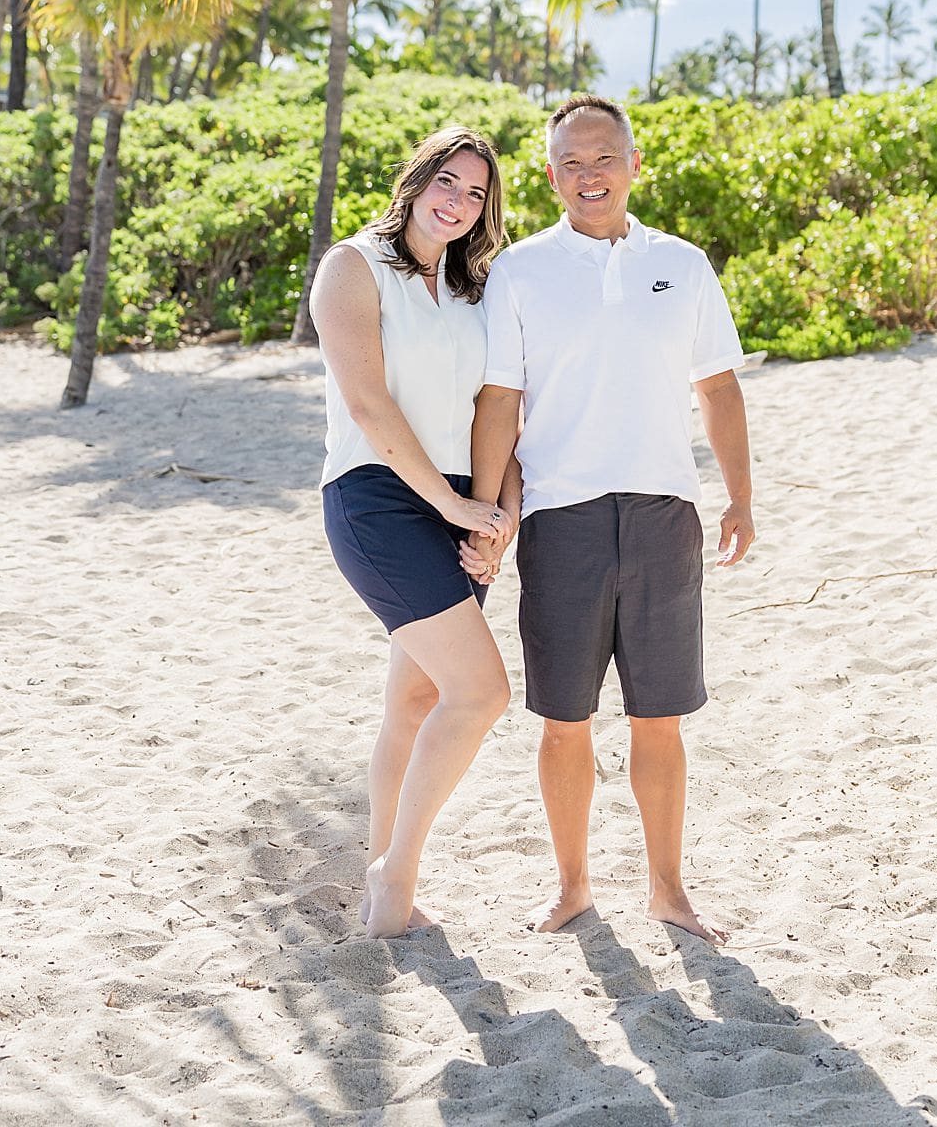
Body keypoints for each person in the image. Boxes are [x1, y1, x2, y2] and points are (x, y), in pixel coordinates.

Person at [466, 94, 755, 944]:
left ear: (634, 165)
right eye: (571, 164)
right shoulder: (519, 272)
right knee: (565, 719)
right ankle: (573, 887)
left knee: (659, 718)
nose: (589, 176)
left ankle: (668, 891)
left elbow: (720, 388)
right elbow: (498, 403)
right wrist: (488, 515)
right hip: (563, 517)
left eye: (605, 159)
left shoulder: (684, 264)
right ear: (552, 176)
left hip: (667, 512)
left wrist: (739, 497)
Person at [310, 128, 519, 939]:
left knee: (416, 698)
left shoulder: (476, 291)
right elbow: (368, 404)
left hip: (463, 505)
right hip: (379, 499)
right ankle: (396, 873)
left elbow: (498, 408)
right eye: (448, 182)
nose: (458, 202)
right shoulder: (352, 268)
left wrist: (495, 516)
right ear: (418, 179)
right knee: (483, 692)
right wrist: (452, 505)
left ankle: (380, 885)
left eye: (476, 194)